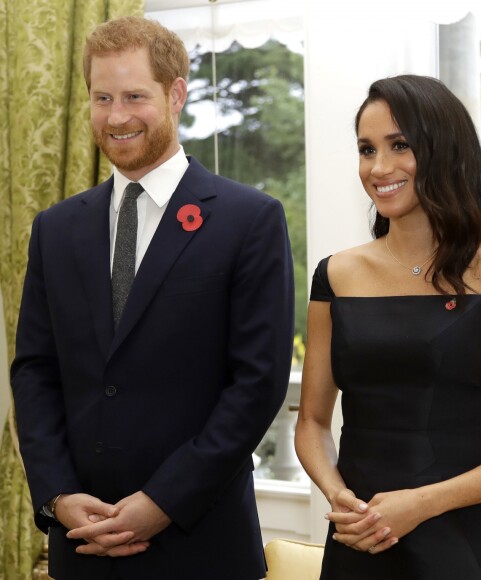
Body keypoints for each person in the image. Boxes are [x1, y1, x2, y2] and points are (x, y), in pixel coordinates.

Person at [11, 16, 294, 580]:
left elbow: (257, 384)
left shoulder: (250, 220)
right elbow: (34, 373)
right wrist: (59, 496)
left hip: (202, 547)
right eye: (102, 97)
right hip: (83, 545)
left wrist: (163, 502)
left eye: (135, 96)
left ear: (176, 94)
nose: (116, 116)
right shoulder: (56, 228)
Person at [294, 74, 481, 579]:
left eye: (400, 146)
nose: (379, 168)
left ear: (445, 151)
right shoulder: (335, 275)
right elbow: (312, 422)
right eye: (366, 149)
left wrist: (422, 503)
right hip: (364, 541)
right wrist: (340, 498)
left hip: (477, 544)